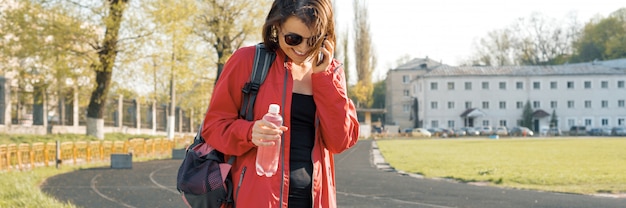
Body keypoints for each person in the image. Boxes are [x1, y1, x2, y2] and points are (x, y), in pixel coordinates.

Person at [202, 0, 359, 207]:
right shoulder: (248, 61)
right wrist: (249, 132)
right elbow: (213, 127)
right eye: (293, 38)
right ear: (277, 27)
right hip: (257, 199)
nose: (303, 48)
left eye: (313, 40)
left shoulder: (332, 71)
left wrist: (325, 80)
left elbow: (340, 141)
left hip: (315, 200)